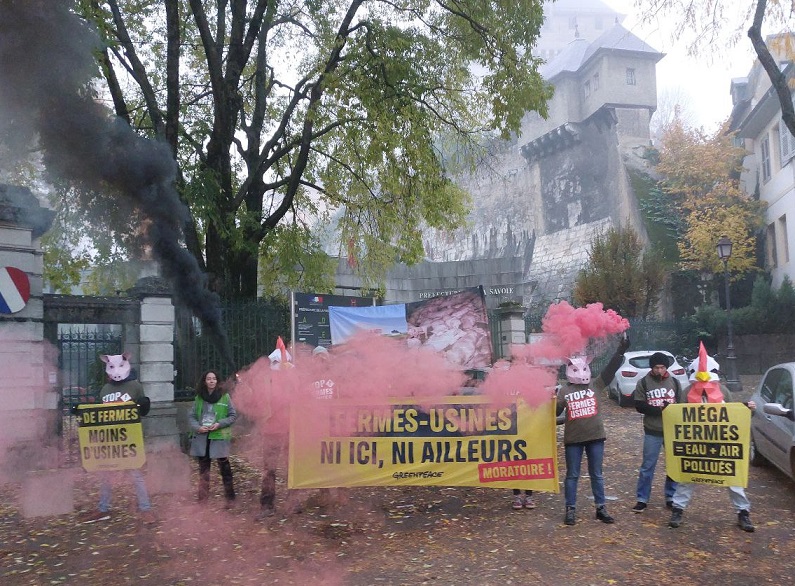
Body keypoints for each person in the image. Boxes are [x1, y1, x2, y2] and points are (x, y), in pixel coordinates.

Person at [668, 347, 756, 532]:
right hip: (694, 444)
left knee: (733, 478)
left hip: (721, 445)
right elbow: (678, 417)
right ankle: (677, 510)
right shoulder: (686, 392)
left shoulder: (723, 390)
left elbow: (734, 414)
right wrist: (668, 411)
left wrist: (748, 409)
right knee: (687, 477)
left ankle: (743, 513)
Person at [556, 335, 630, 526]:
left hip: (595, 437)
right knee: (572, 475)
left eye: (583, 368)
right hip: (573, 439)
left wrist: (620, 352)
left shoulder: (595, 385)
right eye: (575, 369)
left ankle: (601, 508)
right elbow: (555, 413)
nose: (580, 372)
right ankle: (570, 509)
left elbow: (610, 370)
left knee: (596, 473)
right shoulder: (564, 391)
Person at [80, 352, 155, 524]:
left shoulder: (135, 386)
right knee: (105, 474)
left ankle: (146, 509)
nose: (116, 371)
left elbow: (142, 411)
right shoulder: (105, 390)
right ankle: (103, 508)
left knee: (136, 474)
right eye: (112, 367)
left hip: (129, 439)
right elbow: (99, 415)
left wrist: (144, 405)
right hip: (110, 439)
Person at [631, 352, 681, 513]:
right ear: (651, 367)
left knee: (673, 466)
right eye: (656, 367)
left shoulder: (674, 382)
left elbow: (681, 404)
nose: (659, 370)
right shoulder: (643, 382)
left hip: (671, 430)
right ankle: (642, 498)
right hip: (652, 430)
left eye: (662, 367)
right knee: (647, 466)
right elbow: (639, 405)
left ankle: (671, 496)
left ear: (666, 367)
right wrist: (659, 409)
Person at [189, 370, 238, 506]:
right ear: (204, 381)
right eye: (209, 379)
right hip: (202, 437)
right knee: (204, 470)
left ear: (217, 381)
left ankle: (230, 499)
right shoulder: (199, 398)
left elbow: (233, 416)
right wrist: (198, 427)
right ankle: (202, 500)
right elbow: (192, 416)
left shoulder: (225, 397)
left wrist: (219, 424)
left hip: (219, 437)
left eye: (214, 379)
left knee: (225, 469)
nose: (211, 381)